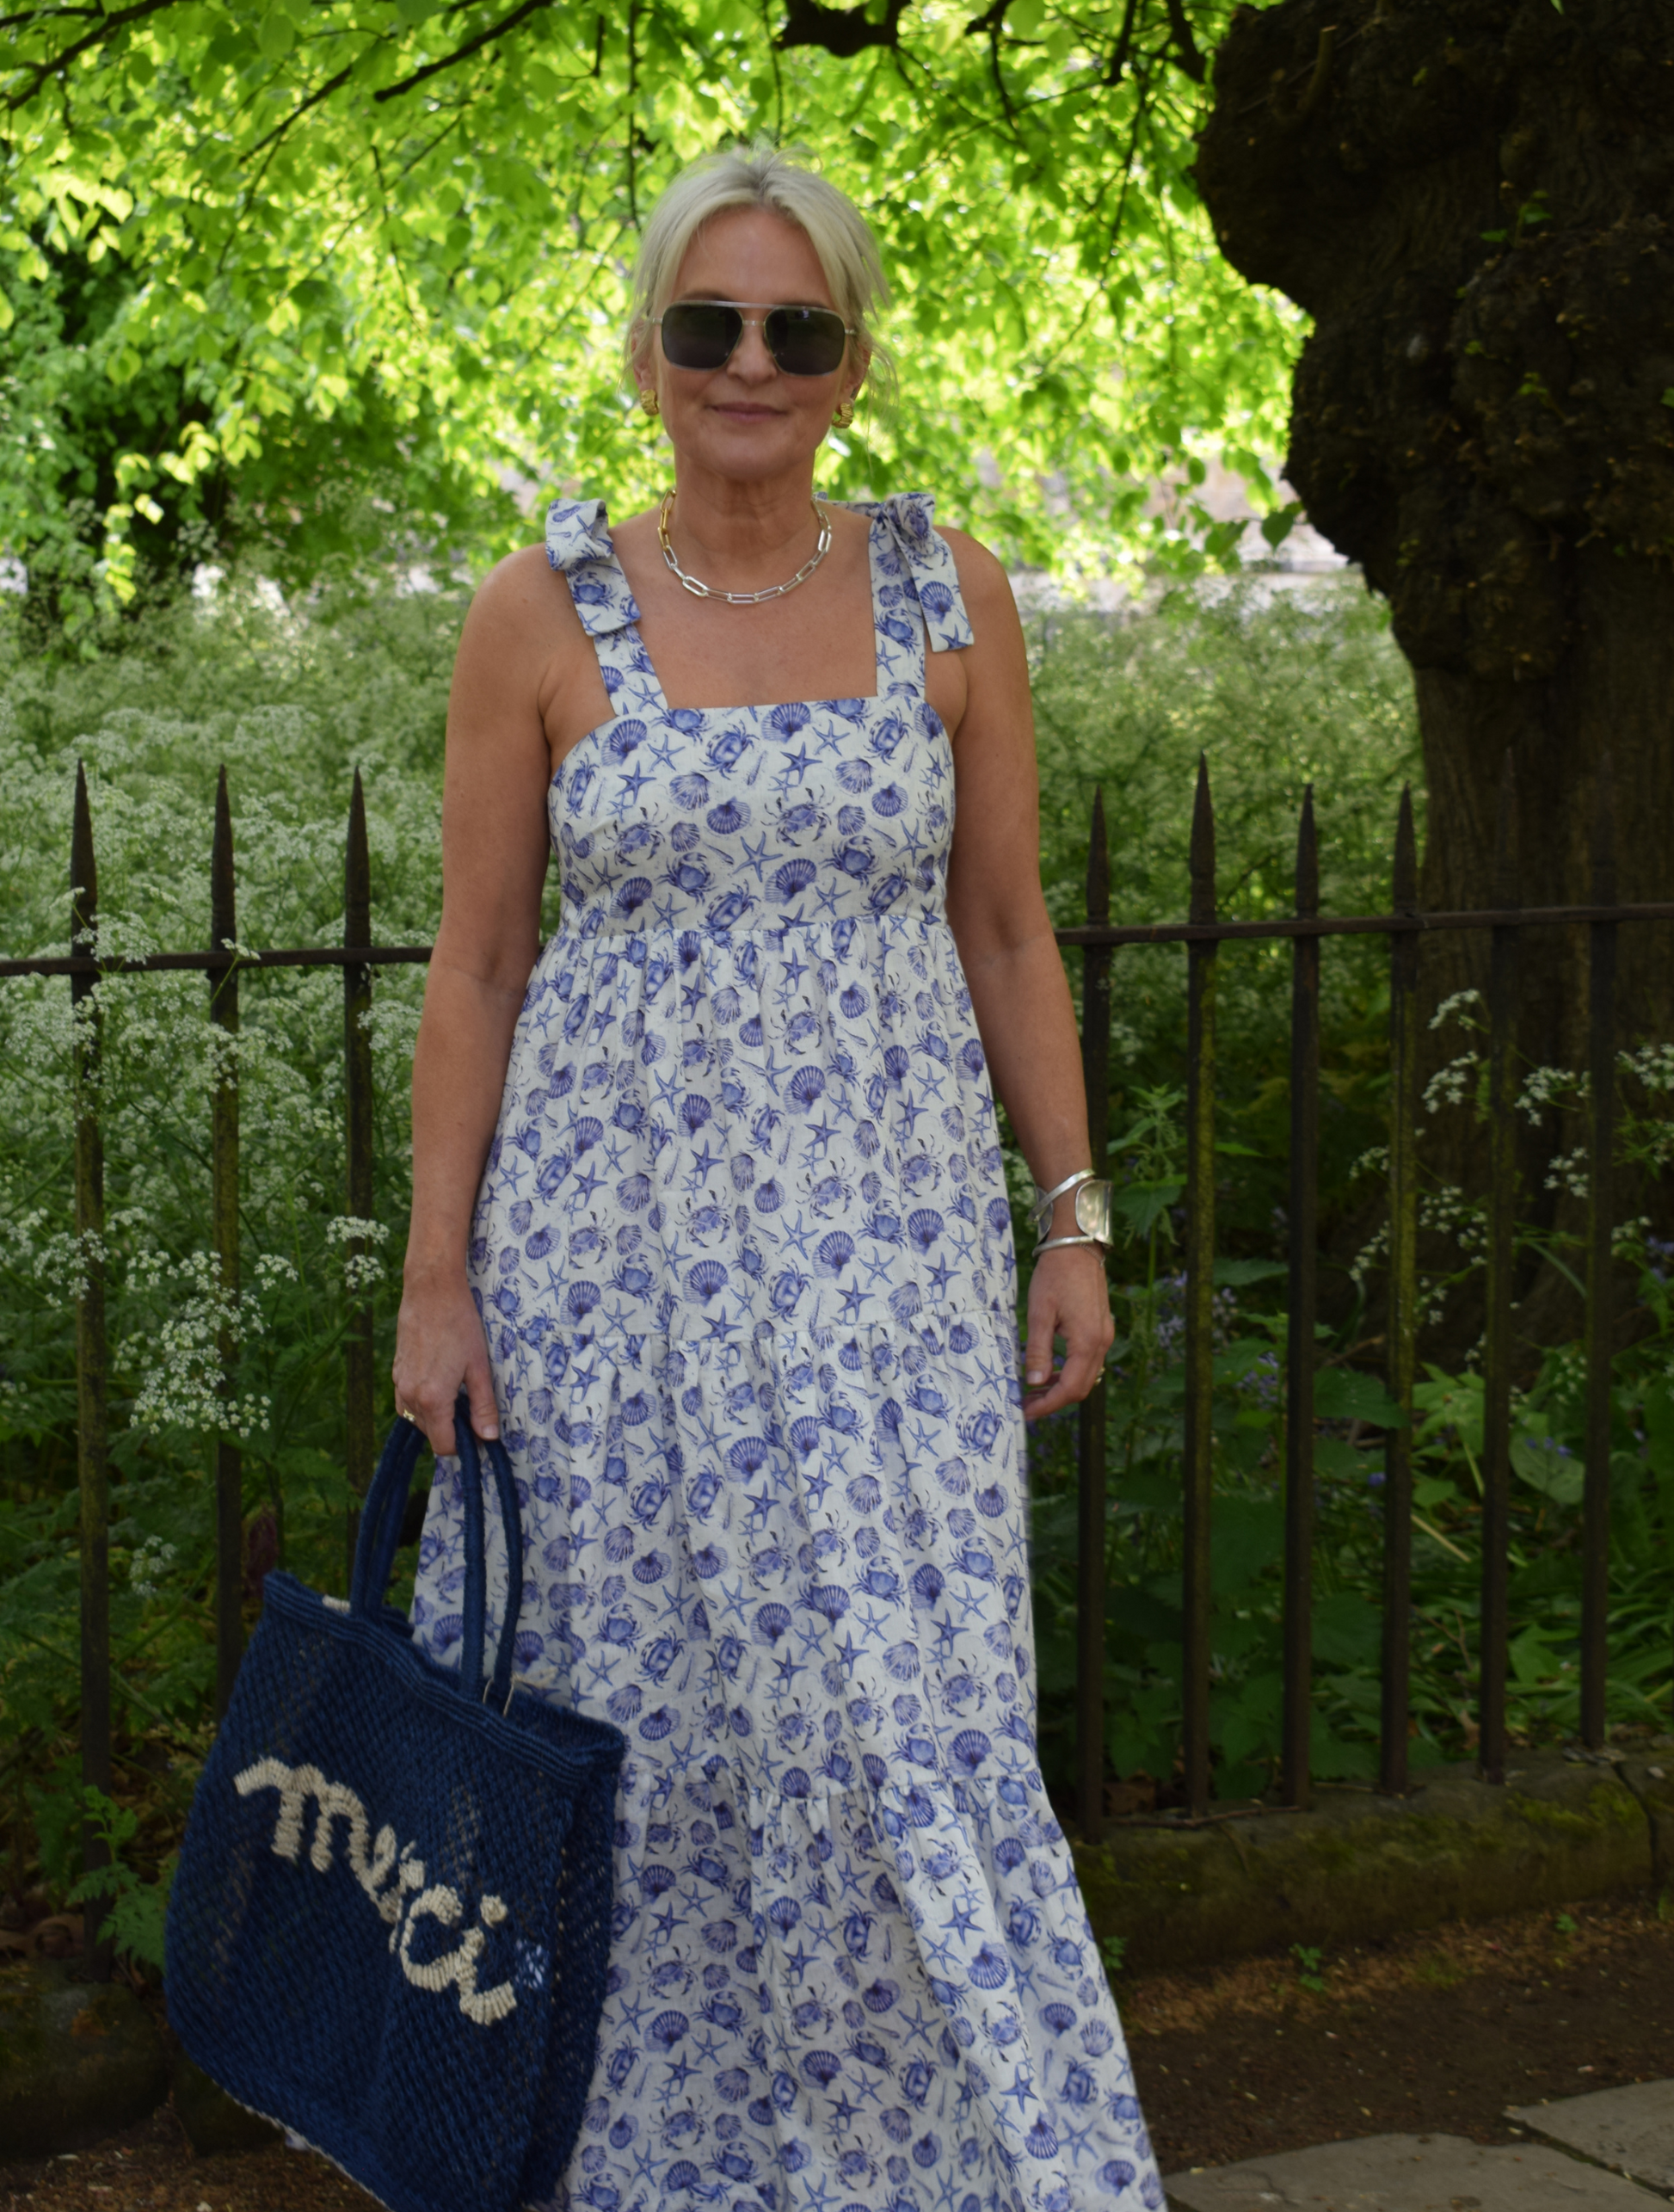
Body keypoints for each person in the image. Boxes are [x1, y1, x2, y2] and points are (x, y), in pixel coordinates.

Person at [393, 144, 1162, 2212]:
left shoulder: (949, 595)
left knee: (901, 1727)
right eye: (707, 322)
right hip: (609, 1278)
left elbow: (1007, 931)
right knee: (633, 1734)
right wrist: (434, 1281)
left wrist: (1071, 1219)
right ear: (646, 349)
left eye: (794, 328)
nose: (748, 359)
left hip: (891, 1280)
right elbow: (475, 962)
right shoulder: (535, 610)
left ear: (847, 363)